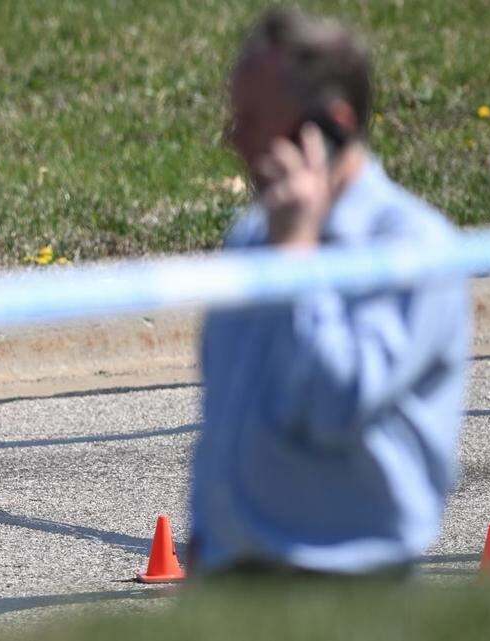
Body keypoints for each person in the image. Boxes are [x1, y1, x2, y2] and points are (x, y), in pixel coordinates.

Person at [190, 8, 469, 576]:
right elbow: (227, 407)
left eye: (254, 119)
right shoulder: (252, 234)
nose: (233, 138)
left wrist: (297, 258)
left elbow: (333, 403)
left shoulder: (410, 247)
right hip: (236, 575)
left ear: (329, 126)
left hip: (347, 587)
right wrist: (207, 536)